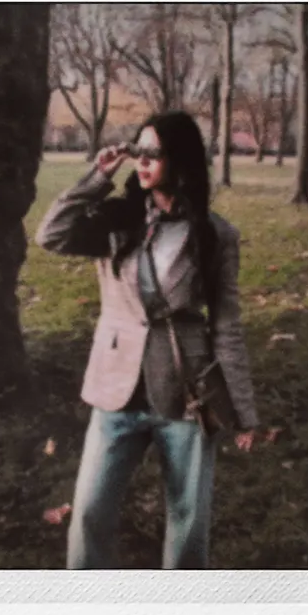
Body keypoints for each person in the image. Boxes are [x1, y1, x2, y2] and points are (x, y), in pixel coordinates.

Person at [35, 110, 259, 569]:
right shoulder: (117, 220)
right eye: (140, 150)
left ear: (181, 160)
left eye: (155, 153)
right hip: (115, 389)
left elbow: (226, 325)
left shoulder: (215, 235)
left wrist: (243, 409)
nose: (143, 161)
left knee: (188, 517)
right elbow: (50, 234)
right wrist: (98, 178)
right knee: (90, 512)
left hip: (186, 392)